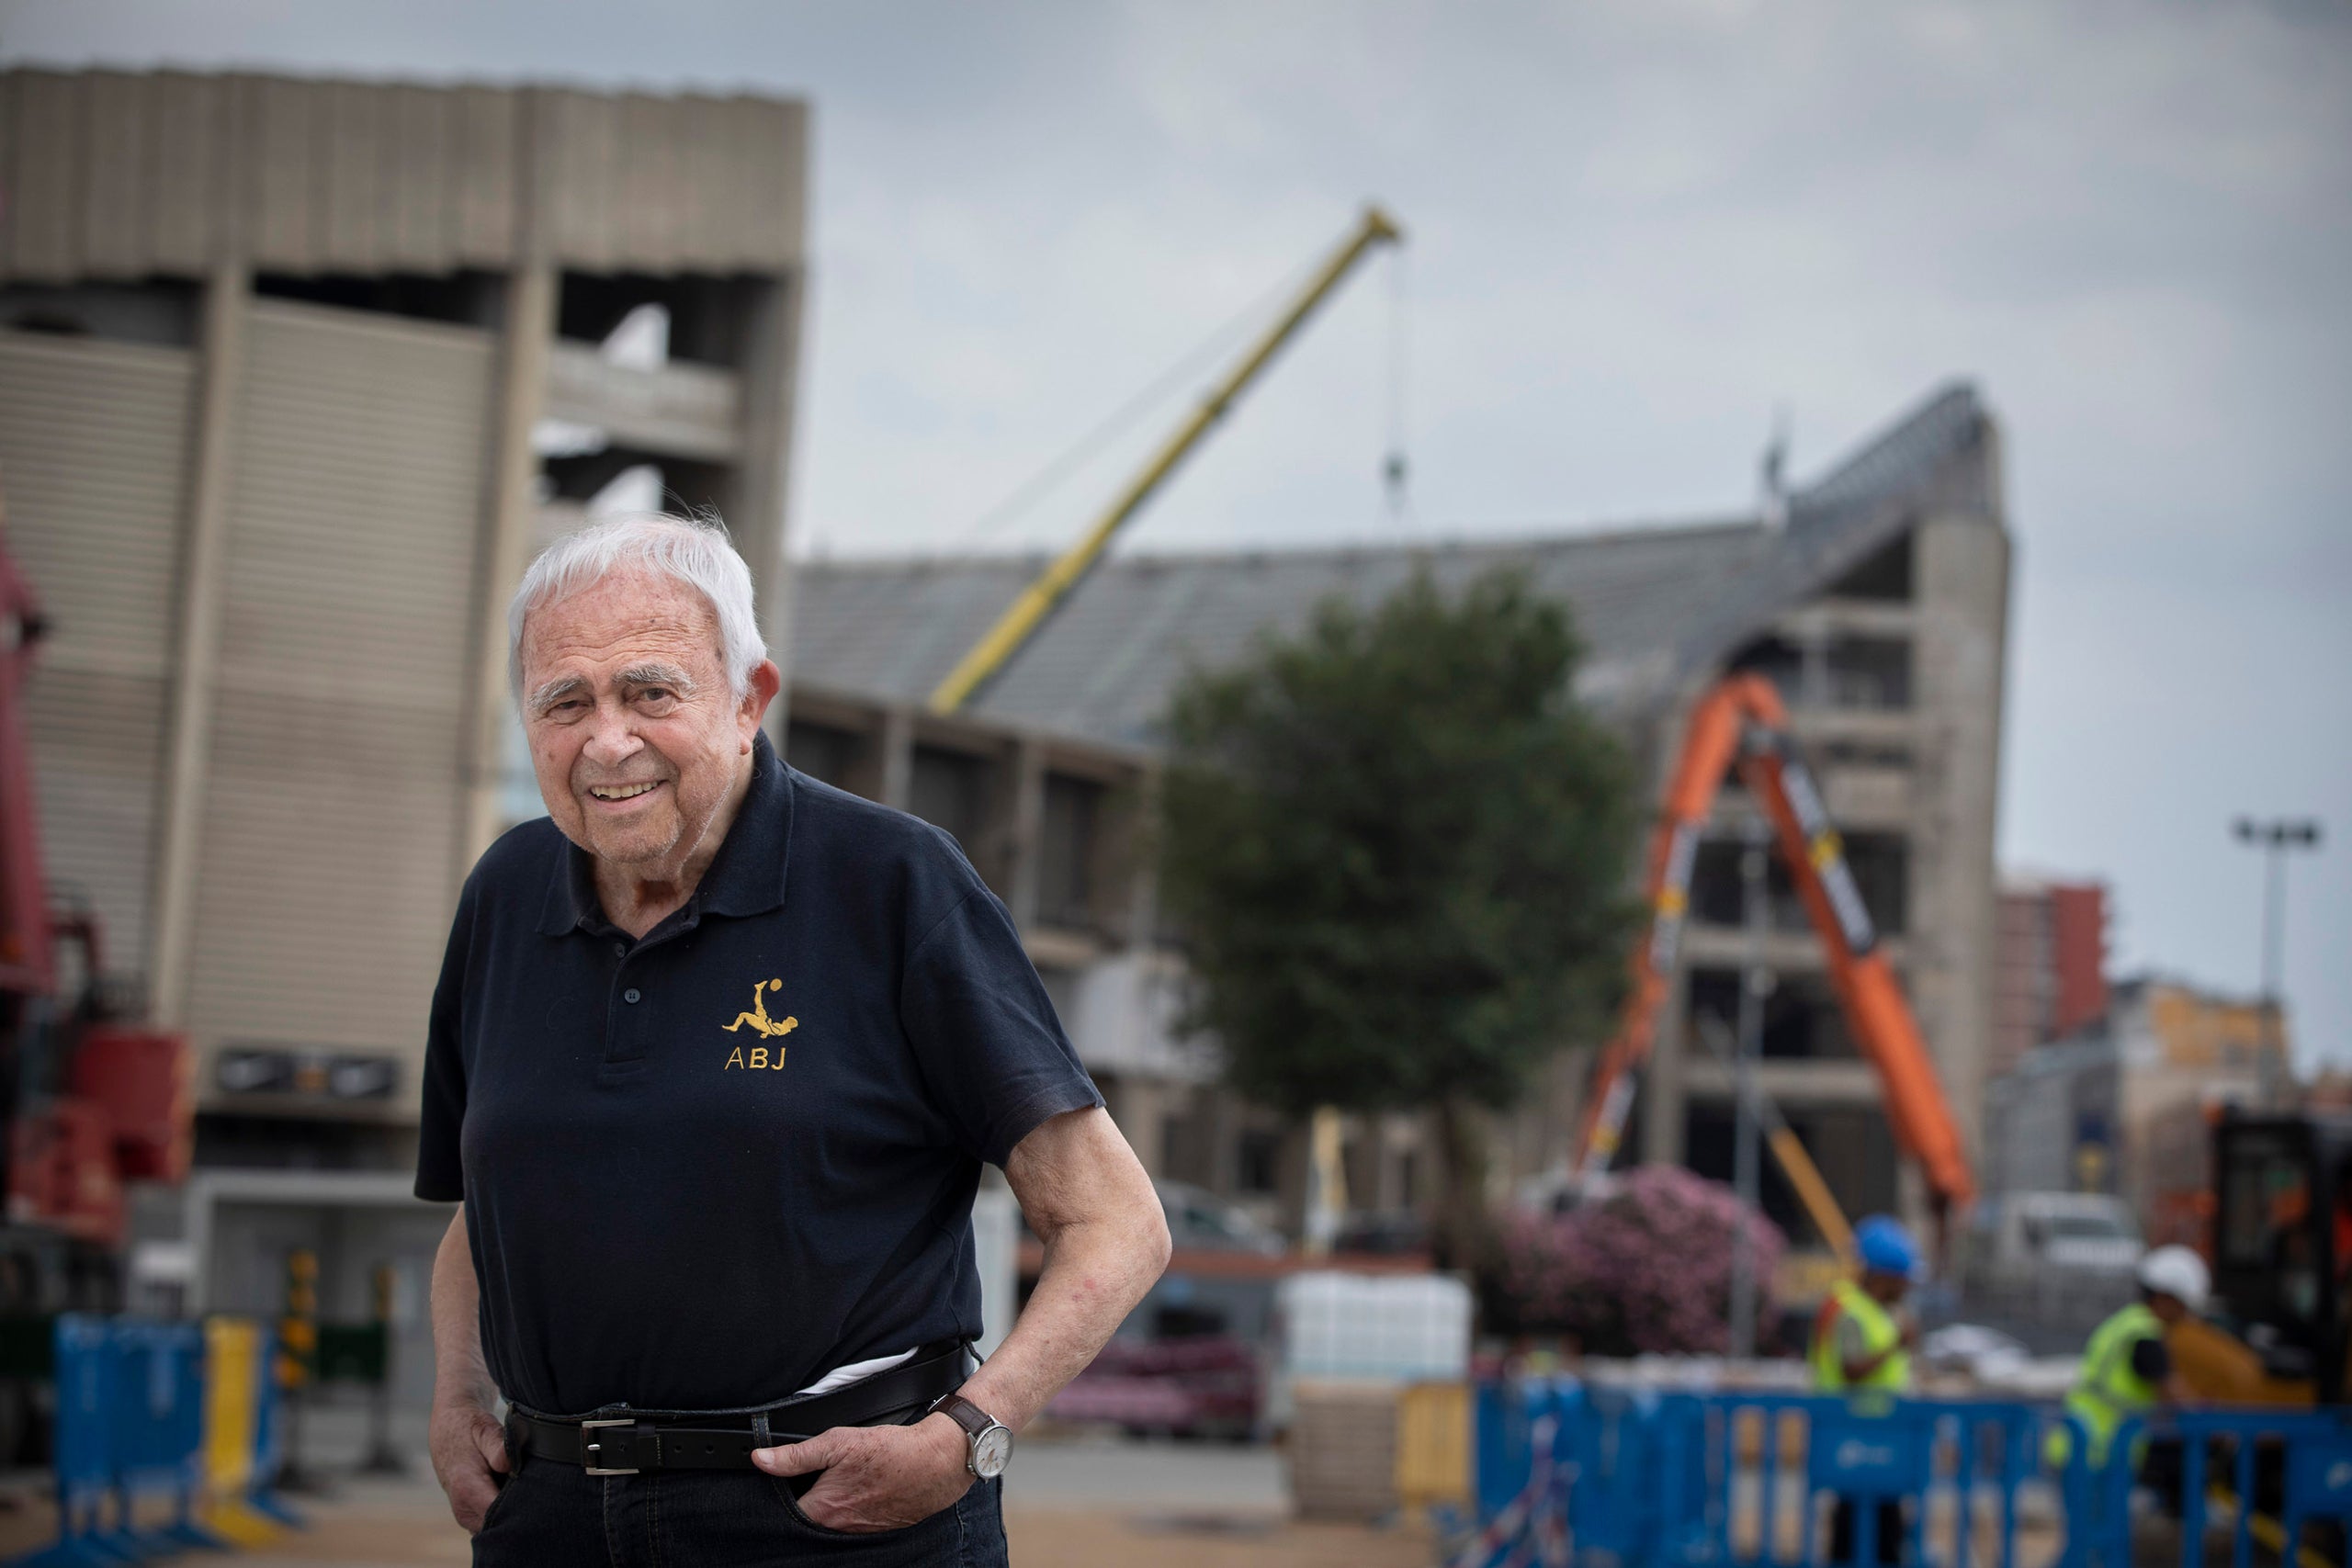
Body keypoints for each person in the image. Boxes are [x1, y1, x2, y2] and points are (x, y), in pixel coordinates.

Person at [416, 513, 1172, 1564]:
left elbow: (1116, 1225)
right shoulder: (504, 896)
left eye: (650, 692)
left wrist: (967, 1438)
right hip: (549, 1520)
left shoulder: (892, 884)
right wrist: (456, 1395)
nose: (606, 741)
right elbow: (481, 1210)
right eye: (565, 703)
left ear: (747, 700)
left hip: (833, 1521)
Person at [2043, 1246, 2206, 1488]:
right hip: (2101, 1453)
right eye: (2183, 1307)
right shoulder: (2145, 1335)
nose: (2183, 1317)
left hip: (2075, 1445)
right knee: (2099, 1525)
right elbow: (2172, 1393)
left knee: (2085, 1525)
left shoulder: (2124, 1323)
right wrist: (2212, 1419)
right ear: (2165, 1298)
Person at [1810, 1214, 1922, 1566]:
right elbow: (1851, 1369)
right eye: (1903, 1279)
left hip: (1878, 1435)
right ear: (1883, 1276)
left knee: (1881, 1525)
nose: (1908, 1287)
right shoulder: (1850, 1309)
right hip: (1852, 1433)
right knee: (1857, 1528)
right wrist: (1896, 1345)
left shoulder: (1878, 1311)